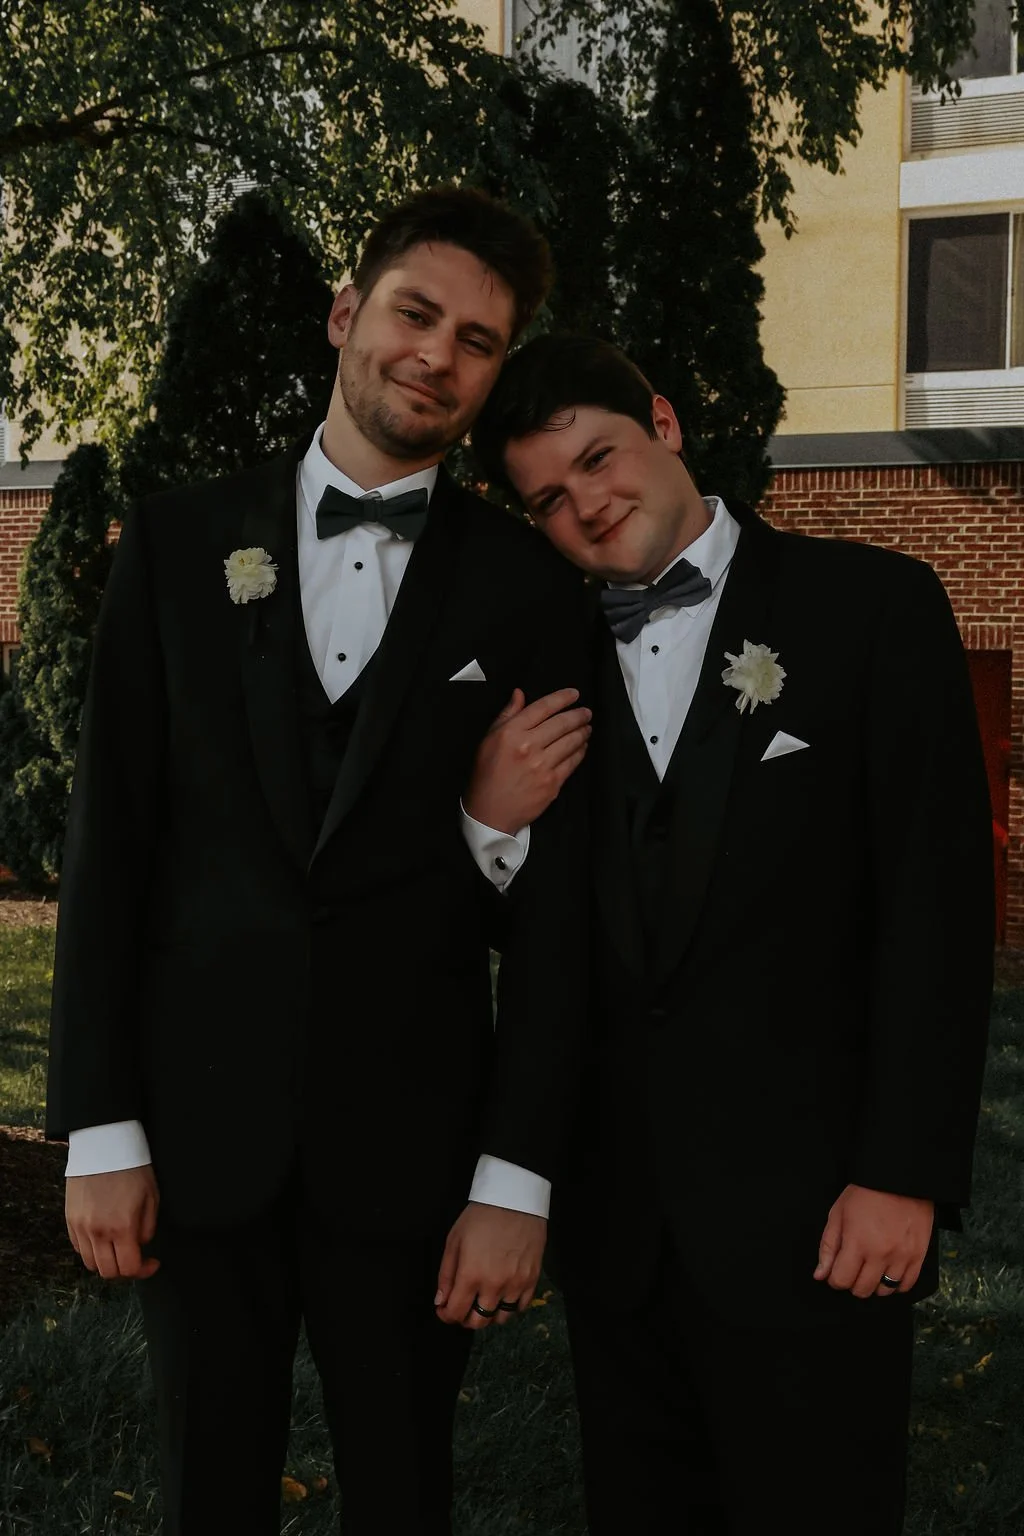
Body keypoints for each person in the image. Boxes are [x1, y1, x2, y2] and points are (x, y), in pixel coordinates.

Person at [45, 189, 593, 1536]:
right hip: (197, 1138)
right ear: (348, 317)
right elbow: (110, 850)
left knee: (405, 1491)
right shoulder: (175, 546)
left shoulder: (525, 590)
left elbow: (567, 917)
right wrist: (99, 1128)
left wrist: (513, 1181)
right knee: (206, 1493)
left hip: (414, 1151)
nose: (437, 357)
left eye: (477, 339)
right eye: (416, 314)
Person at [467, 333, 995, 1535]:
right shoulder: (540, 660)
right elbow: (543, 943)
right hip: (621, 1234)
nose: (587, 507)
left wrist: (900, 1171)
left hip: (822, 1214)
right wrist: (484, 821)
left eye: (598, 459)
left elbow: (937, 908)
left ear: (663, 420)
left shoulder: (869, 606)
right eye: (549, 499)